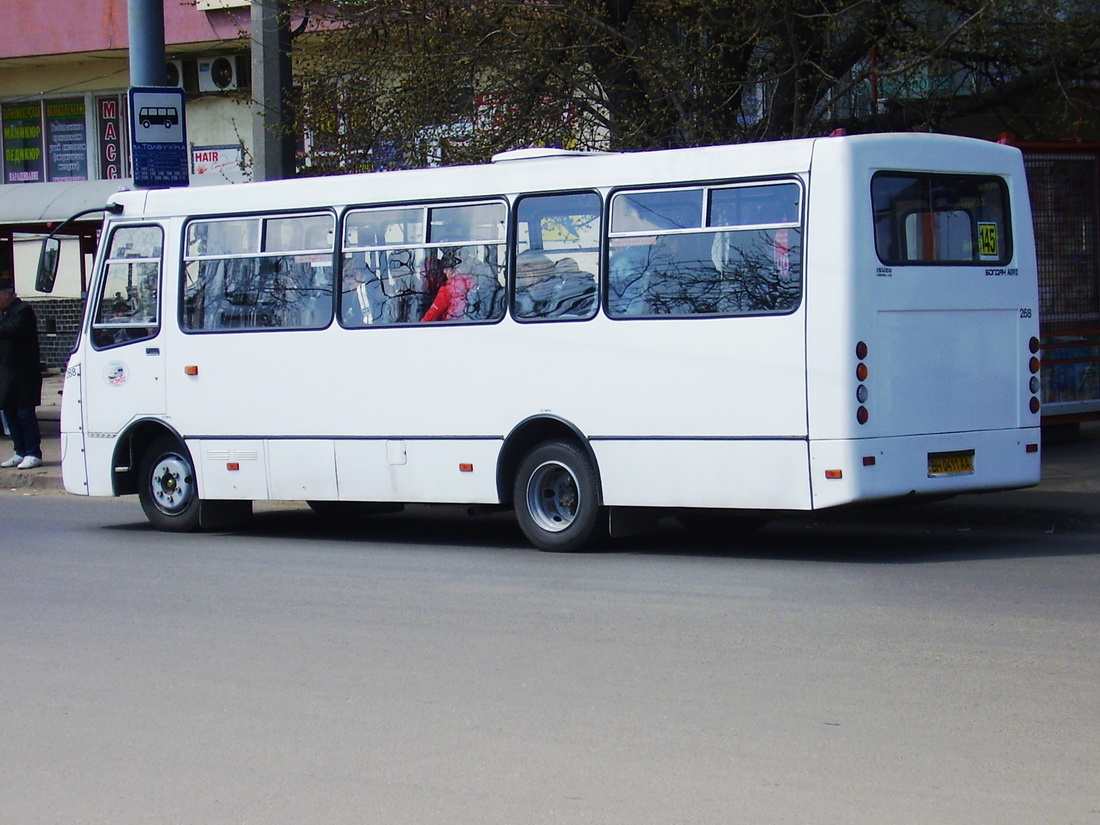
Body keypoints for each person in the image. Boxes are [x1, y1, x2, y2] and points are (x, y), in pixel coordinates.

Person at [0, 276, 43, 469]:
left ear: (6, 294)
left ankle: (33, 452)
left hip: (24, 373)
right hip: (7, 372)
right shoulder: (4, 313)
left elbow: (12, 330)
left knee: (25, 412)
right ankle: (20, 451)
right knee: (9, 411)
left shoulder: (23, 310)